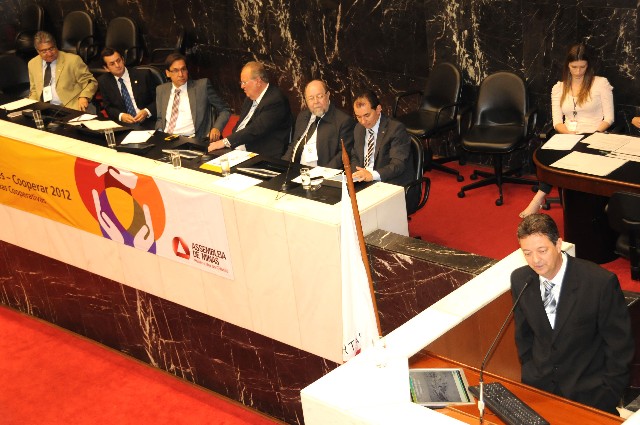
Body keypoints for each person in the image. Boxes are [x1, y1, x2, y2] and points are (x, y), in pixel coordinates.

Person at [511, 213, 633, 414]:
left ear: (558, 244)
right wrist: (531, 372)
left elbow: (620, 346)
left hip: (590, 395)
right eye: (527, 253)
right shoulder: (521, 280)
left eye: (542, 250)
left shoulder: (599, 283)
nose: (535, 260)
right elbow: (524, 335)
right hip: (541, 390)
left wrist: (608, 394)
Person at [520, 44, 614, 218]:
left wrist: (591, 135)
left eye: (582, 67)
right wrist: (569, 135)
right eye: (574, 67)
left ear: (588, 65)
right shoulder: (558, 88)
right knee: (550, 156)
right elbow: (557, 122)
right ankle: (540, 197)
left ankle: (540, 197)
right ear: (567, 66)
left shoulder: (601, 84)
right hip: (567, 134)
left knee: (580, 155)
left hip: (594, 135)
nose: (578, 72)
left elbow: (609, 118)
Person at [208, 61, 291, 157]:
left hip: (262, 155)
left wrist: (225, 142)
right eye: (241, 82)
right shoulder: (249, 98)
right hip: (238, 150)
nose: (241, 86)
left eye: (244, 82)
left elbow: (255, 129)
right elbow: (240, 126)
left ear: (258, 81)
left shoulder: (275, 100)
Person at [156, 53, 231, 143]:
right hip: (166, 139)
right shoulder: (161, 90)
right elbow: (160, 118)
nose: (181, 74)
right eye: (175, 71)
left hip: (191, 140)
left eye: (183, 69)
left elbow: (225, 110)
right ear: (168, 73)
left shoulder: (202, 86)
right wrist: (159, 133)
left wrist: (217, 128)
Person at [282, 80, 355, 168]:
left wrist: (323, 173)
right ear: (306, 100)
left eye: (319, 96)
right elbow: (294, 145)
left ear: (328, 95)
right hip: (294, 169)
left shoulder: (343, 121)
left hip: (321, 172)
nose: (316, 101)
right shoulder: (302, 116)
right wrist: (282, 166)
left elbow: (343, 155)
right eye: (311, 98)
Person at [350, 89, 414, 186]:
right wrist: (357, 174)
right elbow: (355, 156)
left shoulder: (395, 129)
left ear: (378, 109)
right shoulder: (358, 128)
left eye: (367, 115)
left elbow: (398, 165)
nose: (363, 121)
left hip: (388, 181)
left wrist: (372, 175)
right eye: (358, 117)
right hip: (364, 181)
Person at [27, 31, 98, 111]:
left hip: (70, 108)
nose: (49, 54)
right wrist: (30, 105)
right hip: (44, 108)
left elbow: (90, 82)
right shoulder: (32, 64)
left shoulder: (73, 60)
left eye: (51, 49)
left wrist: (84, 97)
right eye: (44, 51)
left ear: (56, 46)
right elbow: (34, 90)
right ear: (38, 51)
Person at [97, 48, 158, 128]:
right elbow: (108, 106)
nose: (117, 65)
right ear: (106, 68)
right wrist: (121, 115)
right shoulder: (104, 81)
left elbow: (159, 99)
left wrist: (147, 111)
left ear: (123, 60)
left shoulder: (143, 75)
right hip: (123, 125)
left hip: (148, 121)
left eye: (118, 60)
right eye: (112, 64)